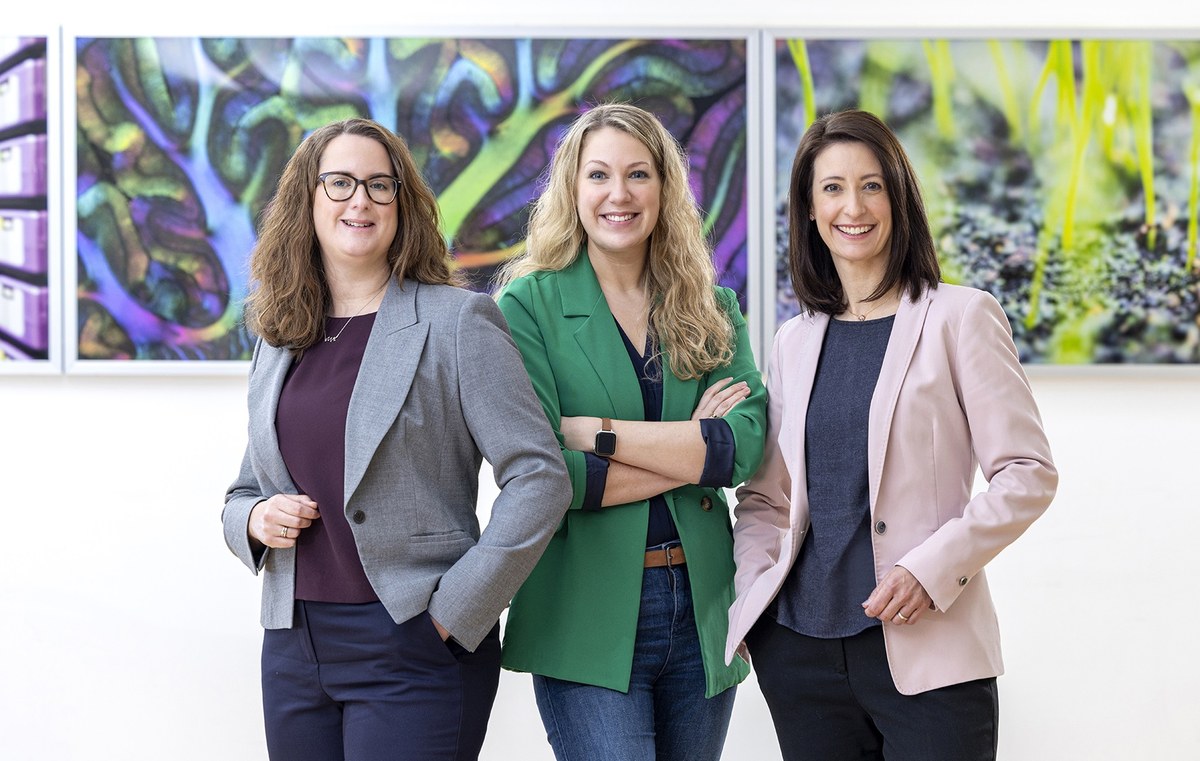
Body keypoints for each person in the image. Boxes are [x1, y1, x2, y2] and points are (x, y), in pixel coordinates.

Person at [221, 117, 570, 761]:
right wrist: (253, 518)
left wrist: (454, 614)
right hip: (295, 645)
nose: (361, 200)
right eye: (341, 182)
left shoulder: (456, 321)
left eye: (381, 186)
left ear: (402, 205)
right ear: (307, 198)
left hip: (414, 640)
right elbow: (248, 487)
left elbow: (540, 476)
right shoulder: (278, 333)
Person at [725, 108, 1058, 760]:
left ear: (898, 197)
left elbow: (1027, 471)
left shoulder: (961, 317)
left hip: (927, 647)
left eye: (872, 184)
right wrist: (753, 597)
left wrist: (929, 568)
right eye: (833, 188)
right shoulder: (794, 340)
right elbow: (768, 499)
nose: (854, 205)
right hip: (799, 650)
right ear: (810, 209)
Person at [492, 103, 767, 761]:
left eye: (639, 174)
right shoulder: (525, 308)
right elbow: (553, 477)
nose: (620, 194)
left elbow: (744, 445)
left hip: (701, 603)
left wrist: (604, 434)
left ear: (664, 188)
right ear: (573, 189)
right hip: (584, 609)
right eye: (599, 175)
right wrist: (693, 442)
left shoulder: (712, 305)